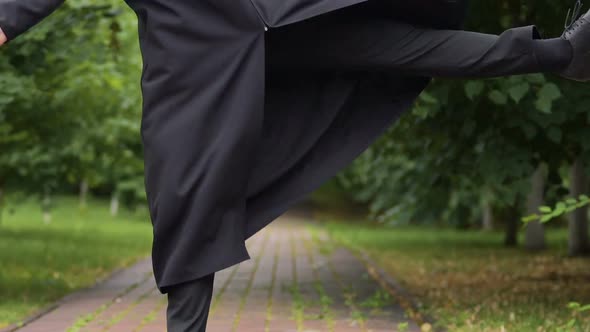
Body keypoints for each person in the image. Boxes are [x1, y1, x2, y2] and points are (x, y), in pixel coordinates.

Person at [1, 0, 589, 331]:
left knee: (400, 45)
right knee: (186, 190)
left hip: (286, 18)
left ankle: (561, 54)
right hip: (194, 55)